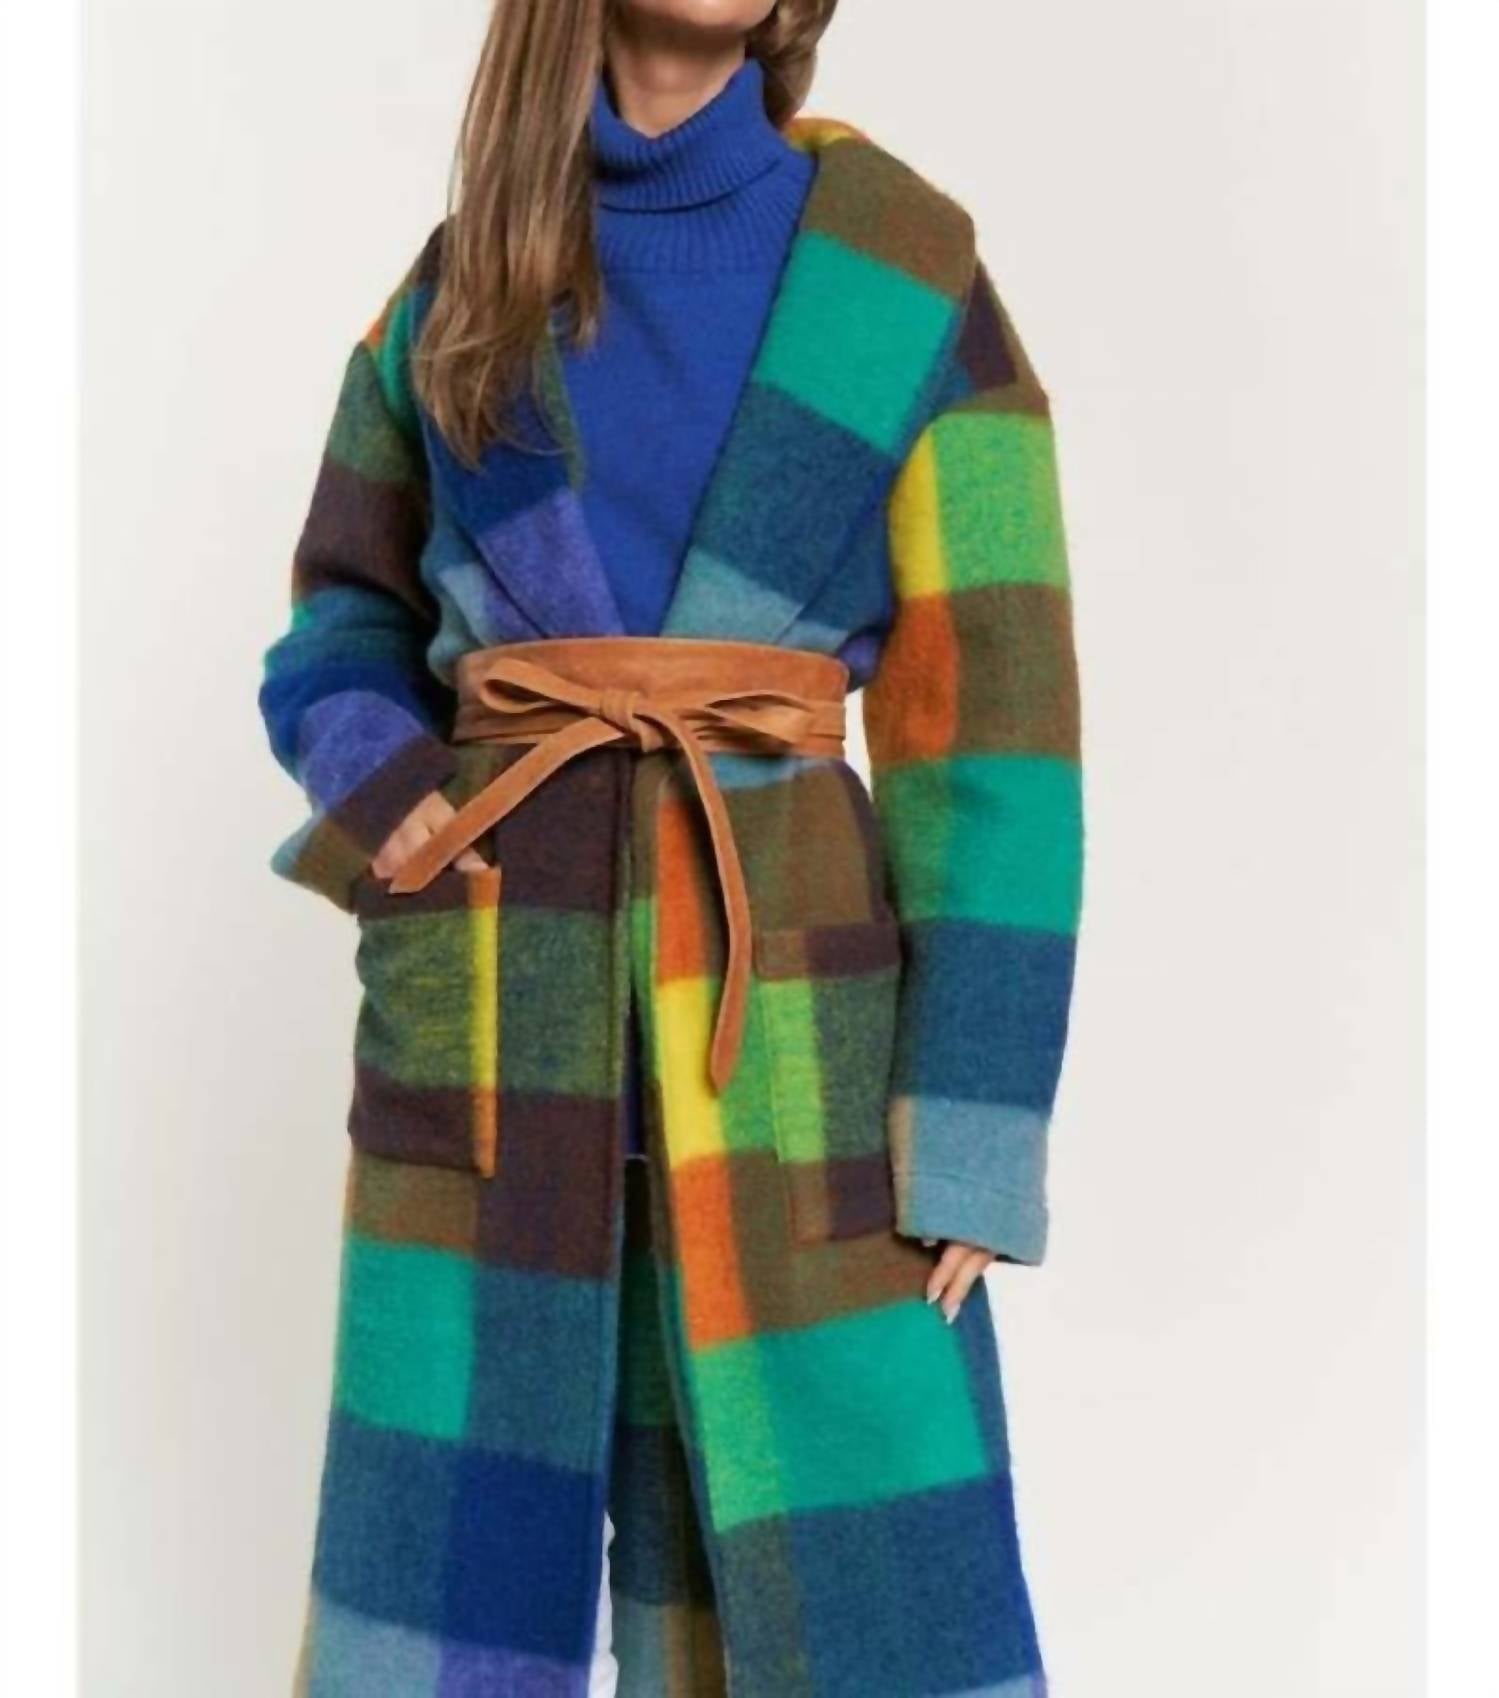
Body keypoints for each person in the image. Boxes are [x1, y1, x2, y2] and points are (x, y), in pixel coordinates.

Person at [259, 2, 1083, 1693]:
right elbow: (341, 614)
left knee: (842, 1597)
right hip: (501, 1014)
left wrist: (974, 1128)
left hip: (793, 1045)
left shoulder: (912, 283)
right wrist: (394, 799)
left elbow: (998, 725)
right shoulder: (460, 287)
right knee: (446, 1591)